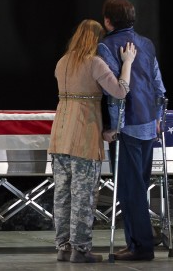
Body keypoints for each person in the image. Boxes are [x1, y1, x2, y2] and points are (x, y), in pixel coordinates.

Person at [50, 20, 135, 263]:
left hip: (60, 134)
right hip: (84, 136)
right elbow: (120, 91)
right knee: (83, 195)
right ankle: (81, 249)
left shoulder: (62, 62)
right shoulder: (94, 62)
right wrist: (127, 63)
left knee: (62, 195)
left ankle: (63, 247)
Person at [97, 0, 166, 262]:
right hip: (149, 123)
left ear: (107, 20)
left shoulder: (107, 46)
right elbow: (159, 84)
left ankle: (141, 245)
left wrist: (113, 126)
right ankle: (141, 242)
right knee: (140, 185)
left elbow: (114, 91)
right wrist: (159, 116)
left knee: (130, 189)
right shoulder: (146, 44)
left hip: (126, 126)